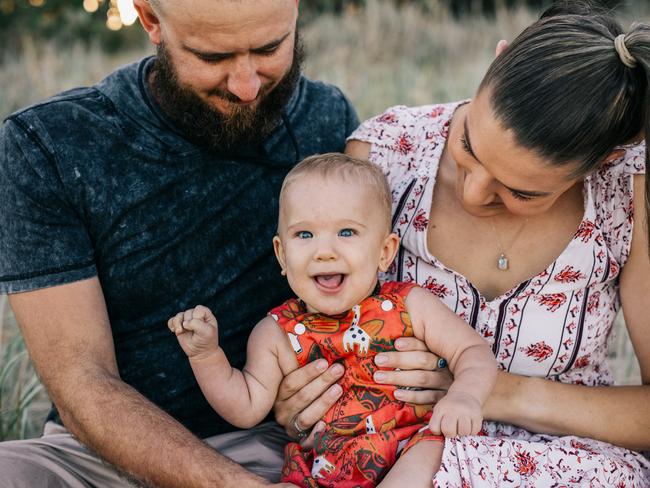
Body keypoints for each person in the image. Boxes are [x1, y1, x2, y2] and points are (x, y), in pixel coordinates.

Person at [0, 0, 381, 485]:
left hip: (274, 443)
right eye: (212, 57)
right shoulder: (49, 144)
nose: (247, 86)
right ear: (151, 20)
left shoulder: (326, 119)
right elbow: (82, 384)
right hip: (100, 455)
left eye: (270, 48)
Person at [342, 1, 650, 485]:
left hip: (563, 467)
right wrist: (297, 392)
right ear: (495, 60)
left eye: (521, 192)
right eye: (467, 146)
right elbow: (319, 314)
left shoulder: (627, 191)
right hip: (387, 444)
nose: (472, 193)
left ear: (603, 160)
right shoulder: (386, 152)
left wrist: (493, 391)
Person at [167, 153, 498, 487]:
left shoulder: (409, 305)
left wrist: (464, 396)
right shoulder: (276, 333)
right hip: (326, 465)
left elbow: (472, 351)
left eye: (346, 232)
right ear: (282, 254)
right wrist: (206, 356)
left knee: (425, 460)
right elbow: (246, 407)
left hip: (412, 442)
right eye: (305, 235)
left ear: (384, 252)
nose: (324, 251)